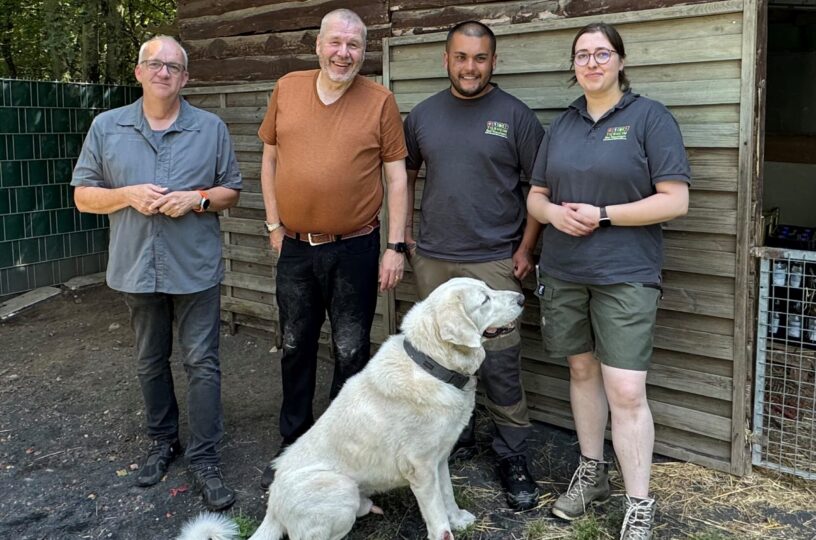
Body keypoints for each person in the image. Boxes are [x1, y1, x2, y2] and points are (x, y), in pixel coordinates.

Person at [526, 22, 690, 539]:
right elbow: (535, 196)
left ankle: (639, 501)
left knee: (625, 389)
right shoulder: (562, 125)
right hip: (564, 271)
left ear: (620, 61)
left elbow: (674, 200)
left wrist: (602, 214)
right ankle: (591, 474)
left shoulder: (650, 118)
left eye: (601, 54)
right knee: (580, 372)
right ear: (572, 67)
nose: (591, 63)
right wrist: (551, 216)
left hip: (625, 274)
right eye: (582, 55)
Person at [71, 36, 242, 511]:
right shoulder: (108, 127)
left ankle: (206, 458)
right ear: (139, 72)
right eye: (155, 64)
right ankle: (162, 442)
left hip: (195, 268)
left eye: (174, 66)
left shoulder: (210, 128)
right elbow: (83, 196)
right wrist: (126, 194)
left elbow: (232, 190)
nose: (164, 72)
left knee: (202, 362)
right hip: (135, 267)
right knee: (150, 360)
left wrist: (197, 198)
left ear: (185, 78)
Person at [257, 8, 408, 488]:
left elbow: (397, 176)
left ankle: (343, 452)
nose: (344, 53)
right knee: (296, 346)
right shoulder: (287, 88)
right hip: (297, 248)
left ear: (364, 52)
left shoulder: (380, 101)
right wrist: (274, 226)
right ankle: (294, 446)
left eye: (354, 46)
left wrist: (395, 247)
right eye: (336, 43)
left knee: (350, 350)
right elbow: (270, 157)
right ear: (318, 44)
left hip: (356, 249)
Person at [402, 20, 544, 511]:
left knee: (501, 362)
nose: (470, 67)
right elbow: (407, 177)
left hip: (493, 262)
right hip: (435, 261)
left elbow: (540, 190)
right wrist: (403, 238)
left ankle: (512, 454)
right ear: (446, 59)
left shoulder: (517, 117)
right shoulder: (422, 116)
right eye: (461, 57)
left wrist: (525, 249)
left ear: (493, 61)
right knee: (441, 360)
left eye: (479, 58)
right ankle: (453, 438)